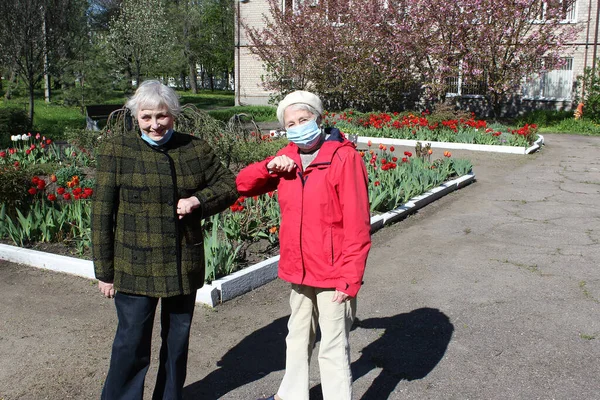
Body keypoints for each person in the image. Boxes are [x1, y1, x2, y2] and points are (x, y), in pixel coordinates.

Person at [92, 80, 238, 400]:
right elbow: (102, 213)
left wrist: (198, 201)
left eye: (162, 116)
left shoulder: (195, 148)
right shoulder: (117, 149)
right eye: (146, 117)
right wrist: (104, 271)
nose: (155, 125)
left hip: (182, 263)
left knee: (176, 346)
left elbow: (229, 185)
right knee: (131, 345)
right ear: (135, 117)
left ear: (173, 114)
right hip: (134, 265)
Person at [236, 90, 372, 400]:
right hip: (299, 270)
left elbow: (357, 225)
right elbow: (243, 185)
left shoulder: (343, 157)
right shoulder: (288, 159)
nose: (298, 127)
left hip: (333, 273)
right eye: (291, 123)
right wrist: (270, 166)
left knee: (333, 346)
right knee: (296, 339)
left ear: (319, 119)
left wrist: (349, 279)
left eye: (304, 119)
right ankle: (290, 395)